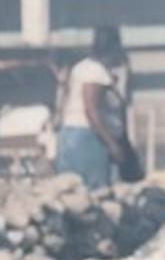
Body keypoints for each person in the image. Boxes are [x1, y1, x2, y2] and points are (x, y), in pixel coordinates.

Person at [56, 26, 135, 190]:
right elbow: (92, 110)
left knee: (72, 191)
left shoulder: (82, 67)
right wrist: (111, 143)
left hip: (72, 135)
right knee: (95, 191)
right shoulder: (95, 72)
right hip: (87, 138)